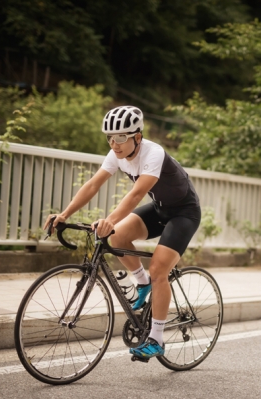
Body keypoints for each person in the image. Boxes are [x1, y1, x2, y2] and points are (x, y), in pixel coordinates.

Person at [44, 105, 201, 360]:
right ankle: (142, 283)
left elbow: (137, 193)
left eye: (120, 138)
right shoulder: (116, 154)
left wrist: (110, 219)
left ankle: (156, 339)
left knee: (159, 269)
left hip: (184, 213)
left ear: (137, 137)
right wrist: (64, 214)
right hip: (160, 209)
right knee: (115, 236)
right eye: (109, 138)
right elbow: (93, 184)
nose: (114, 144)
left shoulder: (154, 153)